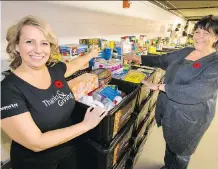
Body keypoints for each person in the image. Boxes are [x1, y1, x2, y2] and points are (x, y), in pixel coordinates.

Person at [1, 15, 108, 169]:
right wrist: (86, 125)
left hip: (68, 151)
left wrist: (91, 54)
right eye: (29, 42)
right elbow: (36, 143)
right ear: (17, 46)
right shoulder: (7, 90)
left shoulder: (54, 70)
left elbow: (74, 64)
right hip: (35, 163)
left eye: (44, 43)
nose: (38, 50)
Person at [125, 15, 218, 169]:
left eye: (206, 33)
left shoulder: (214, 63)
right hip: (170, 112)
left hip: (191, 118)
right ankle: (168, 166)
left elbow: (198, 92)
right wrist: (138, 58)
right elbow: (162, 60)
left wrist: (161, 87)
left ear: (216, 38)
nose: (200, 37)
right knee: (170, 142)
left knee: (182, 152)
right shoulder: (186, 51)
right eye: (197, 32)